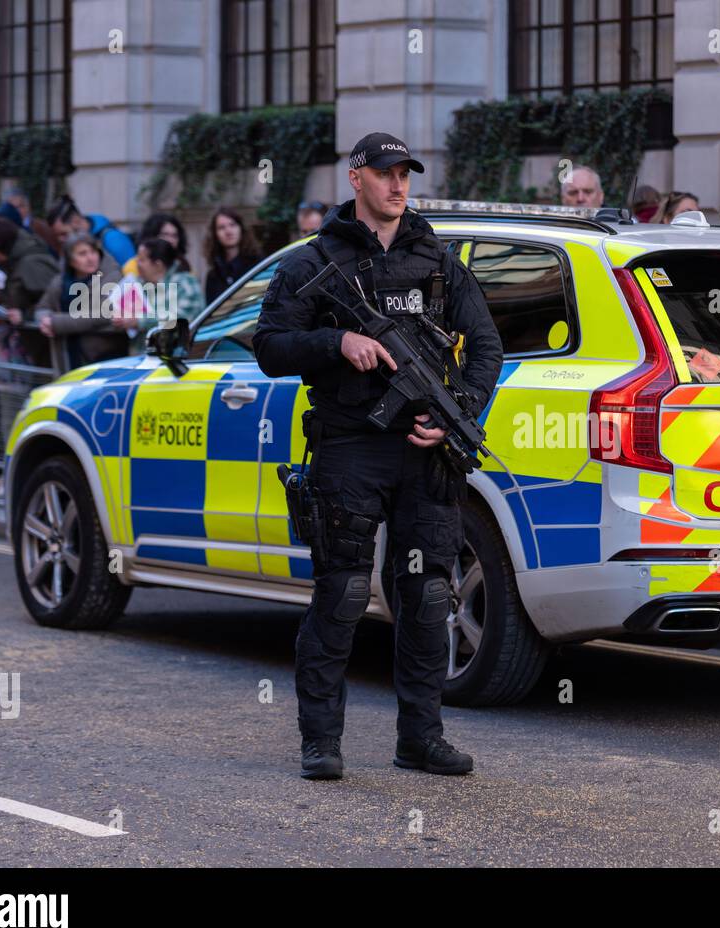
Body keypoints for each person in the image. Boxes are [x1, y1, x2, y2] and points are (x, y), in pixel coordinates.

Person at [252, 131, 503, 781]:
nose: (399, 185)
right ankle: (320, 741)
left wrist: (462, 411)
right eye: (387, 173)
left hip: (425, 453)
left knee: (426, 595)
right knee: (341, 592)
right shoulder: (315, 263)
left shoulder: (438, 261)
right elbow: (272, 346)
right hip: (351, 448)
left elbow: (485, 347)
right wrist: (337, 342)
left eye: (406, 175)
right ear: (356, 177)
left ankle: (420, 737)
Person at [35, 233, 127, 368]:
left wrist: (55, 322)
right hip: (66, 353)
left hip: (102, 357)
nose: (90, 258)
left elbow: (100, 314)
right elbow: (42, 307)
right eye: (82, 254)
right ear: (70, 260)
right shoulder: (61, 281)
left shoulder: (112, 277)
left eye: (93, 252)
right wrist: (44, 320)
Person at [109, 236, 205, 354]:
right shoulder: (137, 284)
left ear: (158, 265)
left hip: (175, 360)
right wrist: (121, 319)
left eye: (141, 259)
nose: (136, 263)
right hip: (139, 358)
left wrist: (139, 321)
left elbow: (182, 318)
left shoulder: (185, 282)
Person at [45, 194, 137, 272]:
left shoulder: (113, 240)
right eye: (56, 235)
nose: (60, 240)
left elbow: (132, 279)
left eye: (63, 234)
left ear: (76, 221)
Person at [204, 207, 261, 302]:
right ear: (215, 234)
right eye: (221, 227)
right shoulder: (213, 276)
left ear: (241, 228)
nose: (228, 231)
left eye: (232, 225)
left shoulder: (258, 265)